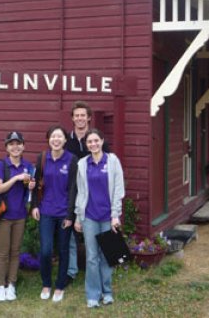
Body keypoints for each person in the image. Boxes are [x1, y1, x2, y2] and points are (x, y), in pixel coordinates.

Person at [74, 128, 124, 308]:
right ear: (86, 145)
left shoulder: (112, 161)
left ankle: (107, 292)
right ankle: (93, 295)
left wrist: (115, 215)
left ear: (102, 141)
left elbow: (118, 190)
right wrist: (78, 217)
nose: (93, 144)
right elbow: (80, 192)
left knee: (107, 255)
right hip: (89, 217)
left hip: (108, 217)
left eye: (96, 140)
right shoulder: (82, 164)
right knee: (92, 257)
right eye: (89, 142)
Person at [31, 125, 78, 303]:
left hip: (64, 212)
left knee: (64, 249)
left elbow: (74, 188)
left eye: (59, 137)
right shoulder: (42, 158)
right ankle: (46, 283)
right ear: (49, 139)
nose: (56, 140)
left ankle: (59, 286)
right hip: (46, 211)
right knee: (45, 250)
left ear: (65, 140)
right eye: (53, 136)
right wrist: (34, 205)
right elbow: (36, 184)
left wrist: (70, 215)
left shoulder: (71, 160)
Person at [65, 101, 110, 284]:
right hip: (73, 190)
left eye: (83, 115)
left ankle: (102, 268)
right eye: (77, 115)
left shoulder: (96, 139)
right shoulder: (67, 142)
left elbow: (109, 166)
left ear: (89, 117)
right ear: (72, 118)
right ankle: (72, 270)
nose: (80, 118)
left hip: (95, 192)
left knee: (101, 232)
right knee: (72, 233)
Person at [0, 131, 35, 302]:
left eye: (18, 143)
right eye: (11, 144)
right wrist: (16, 177)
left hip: (20, 215)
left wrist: (30, 185)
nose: (15, 147)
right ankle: (0, 286)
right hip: (3, 215)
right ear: (7, 147)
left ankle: (11, 285)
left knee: (15, 252)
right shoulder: (1, 165)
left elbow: (28, 189)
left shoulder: (28, 165)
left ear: (23, 146)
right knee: (3, 252)